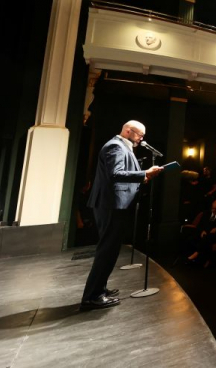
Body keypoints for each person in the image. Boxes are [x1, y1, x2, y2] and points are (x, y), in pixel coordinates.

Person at [80, 120, 163, 310]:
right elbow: (115, 174)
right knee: (106, 251)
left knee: (109, 250)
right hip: (110, 205)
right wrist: (143, 173)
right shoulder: (116, 147)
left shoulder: (120, 147)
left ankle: (99, 288)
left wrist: (144, 177)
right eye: (139, 135)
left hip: (113, 205)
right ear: (127, 131)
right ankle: (93, 296)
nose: (142, 139)